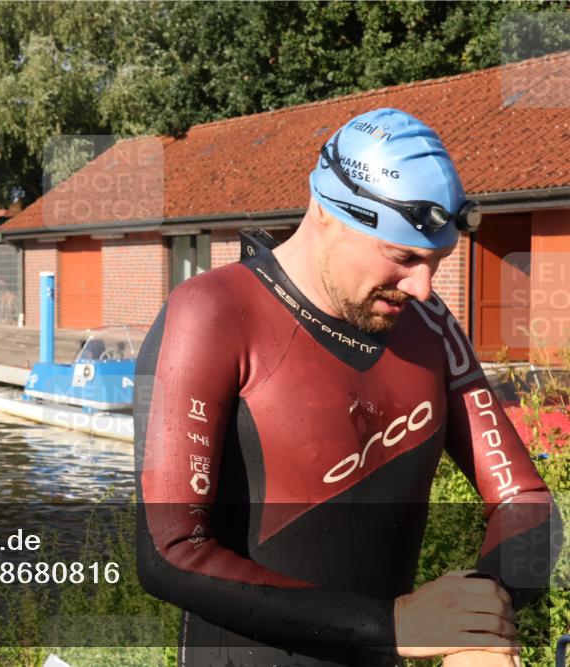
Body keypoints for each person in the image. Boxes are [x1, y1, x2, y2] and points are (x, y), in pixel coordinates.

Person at [133, 108, 561, 667]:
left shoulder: (429, 328)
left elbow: (526, 502)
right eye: (404, 258)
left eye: (436, 262)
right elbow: (169, 553)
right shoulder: (212, 313)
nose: (423, 288)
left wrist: (476, 615)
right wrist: (394, 625)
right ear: (330, 213)